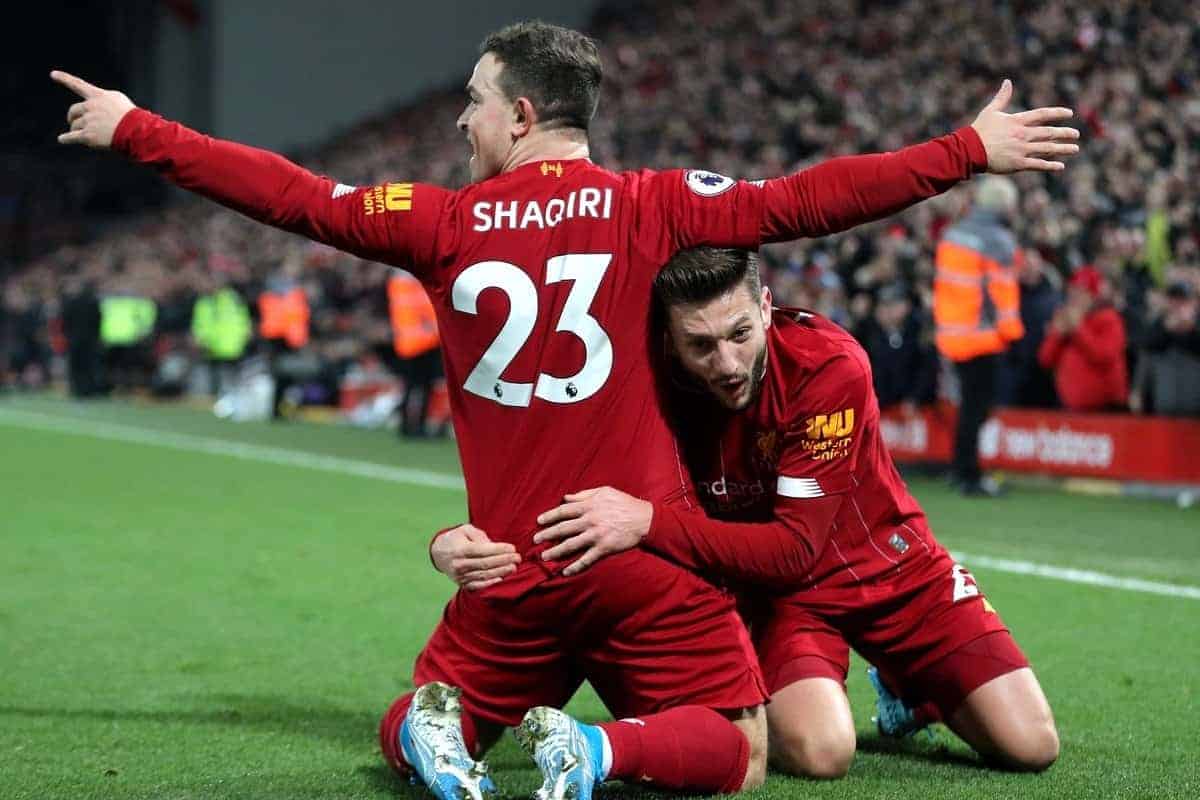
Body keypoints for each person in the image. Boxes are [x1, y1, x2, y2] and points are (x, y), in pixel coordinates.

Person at [53, 18, 1077, 799]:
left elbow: (293, 195)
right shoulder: (655, 205)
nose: (462, 120)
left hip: (509, 564)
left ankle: (426, 730)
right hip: (637, 560)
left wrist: (139, 128)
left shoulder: (442, 222)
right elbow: (805, 199)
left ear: (523, 116)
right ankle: (594, 749)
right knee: (741, 746)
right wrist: (965, 150)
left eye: (475, 102)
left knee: (425, 707)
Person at [490, 247, 1057, 778]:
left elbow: (794, 549)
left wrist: (647, 521)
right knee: (822, 753)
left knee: (1032, 746)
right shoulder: (654, 385)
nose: (727, 363)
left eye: (740, 334)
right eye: (701, 345)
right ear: (670, 341)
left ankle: (907, 683)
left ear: (766, 308)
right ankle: (890, 680)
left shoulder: (827, 367)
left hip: (891, 567)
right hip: (786, 600)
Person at [933, 176, 1024, 496]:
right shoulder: (997, 240)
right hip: (983, 339)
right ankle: (969, 475)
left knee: (968, 408)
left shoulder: (953, 234)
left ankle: (960, 469)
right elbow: (1002, 294)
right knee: (977, 409)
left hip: (952, 336)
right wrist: (1012, 335)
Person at [1037, 265, 1128, 412]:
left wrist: (1078, 329)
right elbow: (1045, 359)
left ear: (1093, 296)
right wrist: (1057, 335)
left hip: (1104, 409)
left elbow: (1104, 355)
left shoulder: (1109, 319)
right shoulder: (1064, 317)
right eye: (1072, 292)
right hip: (1070, 408)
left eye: (1081, 293)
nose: (1075, 298)